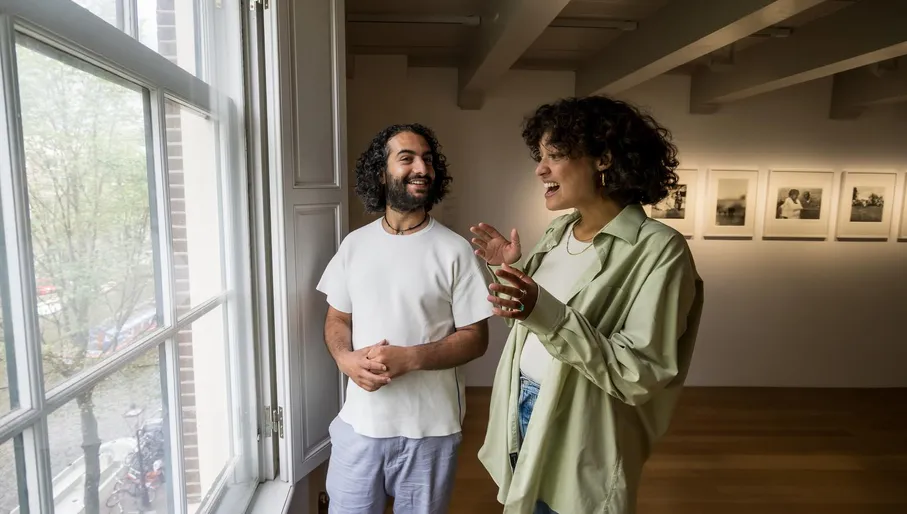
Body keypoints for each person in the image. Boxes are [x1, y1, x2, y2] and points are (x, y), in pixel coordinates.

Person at [470, 96, 705, 514]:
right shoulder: (559, 232)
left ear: (604, 159)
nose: (540, 169)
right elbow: (533, 329)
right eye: (539, 156)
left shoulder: (660, 249)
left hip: (583, 424)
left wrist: (542, 310)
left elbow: (639, 373)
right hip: (522, 407)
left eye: (555, 155)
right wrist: (511, 272)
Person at [316, 123, 492, 514]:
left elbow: (476, 338)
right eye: (407, 158)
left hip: (430, 432)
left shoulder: (455, 250)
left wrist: (409, 358)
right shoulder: (354, 245)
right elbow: (337, 319)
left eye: (428, 160)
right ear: (381, 173)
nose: (422, 168)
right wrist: (345, 360)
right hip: (359, 425)